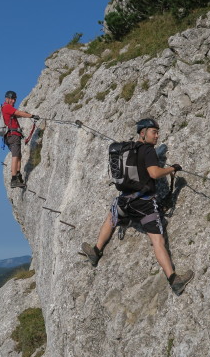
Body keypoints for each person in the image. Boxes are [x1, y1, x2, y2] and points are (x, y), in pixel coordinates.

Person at [80, 118, 194, 296]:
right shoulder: (148, 150)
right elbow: (154, 173)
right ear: (143, 133)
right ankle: (174, 279)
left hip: (125, 201)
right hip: (145, 204)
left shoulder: (131, 149)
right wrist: (172, 169)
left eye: (157, 132)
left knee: (111, 218)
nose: (157, 135)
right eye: (153, 132)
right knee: (158, 241)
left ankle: (96, 251)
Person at [1, 90, 39, 188]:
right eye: (12, 99)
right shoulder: (7, 107)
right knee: (15, 156)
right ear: (7, 99)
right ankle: (14, 179)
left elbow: (17, 114)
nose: (13, 101)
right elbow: (18, 112)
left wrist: (27, 115)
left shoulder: (6, 108)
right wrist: (32, 116)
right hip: (13, 135)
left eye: (14, 99)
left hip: (11, 136)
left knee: (18, 156)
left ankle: (18, 175)